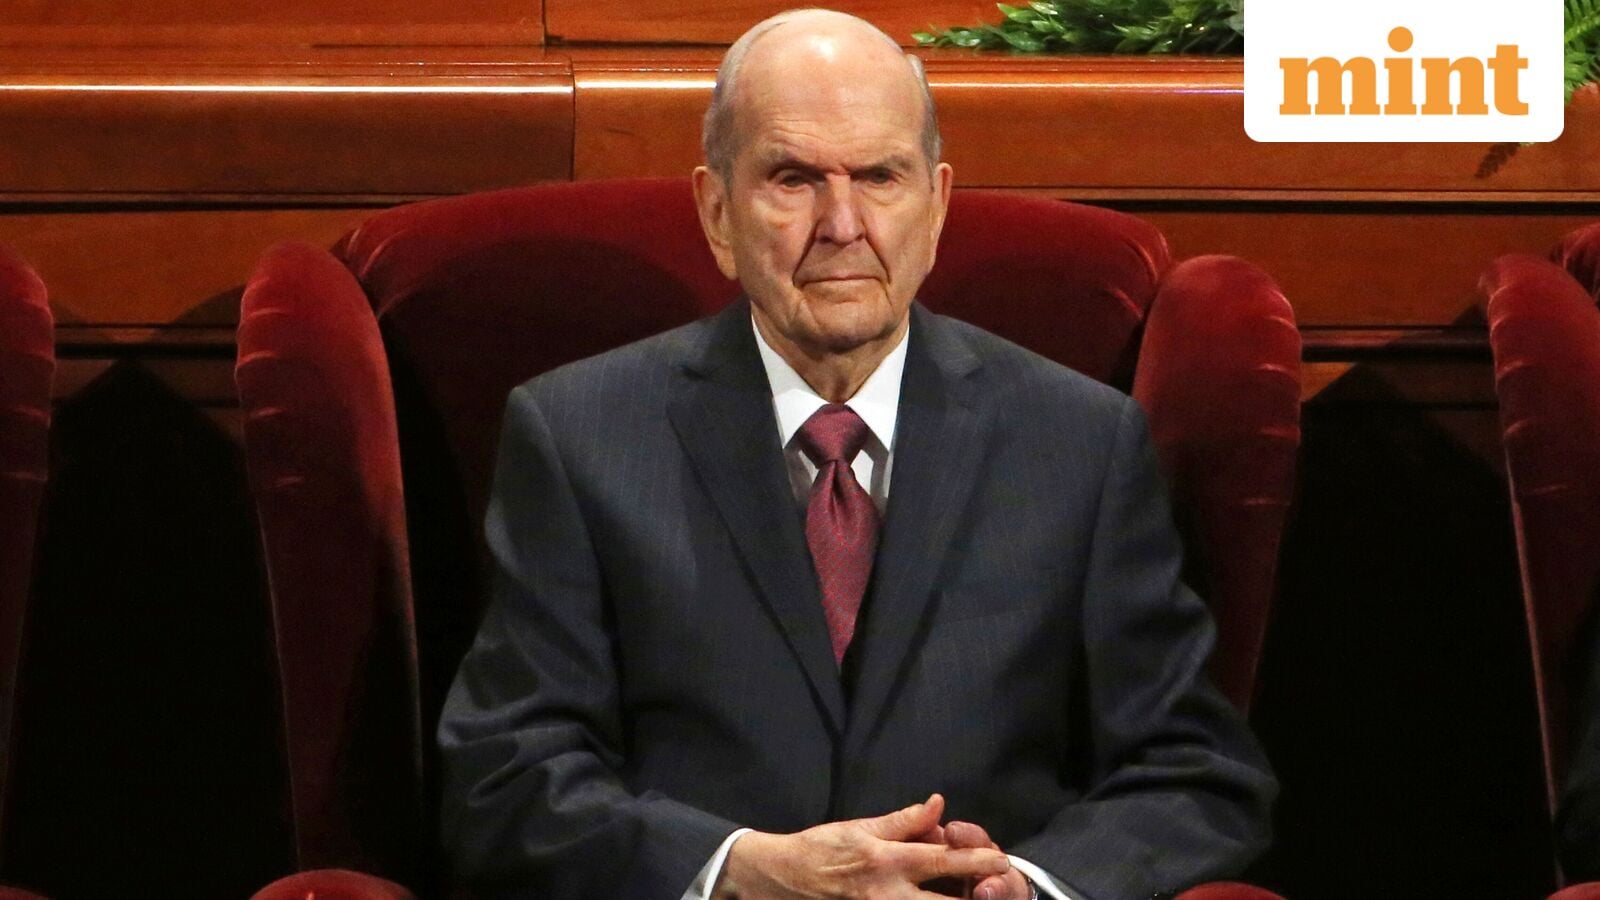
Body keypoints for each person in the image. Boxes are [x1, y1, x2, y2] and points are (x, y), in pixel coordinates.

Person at [437, 9, 1275, 899]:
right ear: (717, 212)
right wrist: (739, 871)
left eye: (880, 176)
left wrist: (1029, 886)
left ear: (936, 206)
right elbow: (504, 780)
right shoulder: (580, 435)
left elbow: (1194, 774)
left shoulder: (1081, 442)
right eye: (793, 179)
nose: (843, 223)